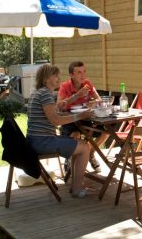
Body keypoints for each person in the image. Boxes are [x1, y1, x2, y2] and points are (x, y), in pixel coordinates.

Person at [25, 64, 93, 198]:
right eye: (55, 75)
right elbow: (55, 120)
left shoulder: (39, 93)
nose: (58, 78)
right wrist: (80, 116)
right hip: (43, 142)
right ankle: (77, 189)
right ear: (46, 80)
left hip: (35, 140)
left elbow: (53, 112)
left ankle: (76, 187)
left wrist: (69, 102)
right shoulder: (45, 94)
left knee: (78, 143)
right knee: (85, 147)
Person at [57, 61, 107, 172]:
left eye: (84, 71)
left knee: (105, 133)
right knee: (76, 134)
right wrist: (76, 96)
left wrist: (93, 103)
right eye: (79, 72)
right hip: (70, 121)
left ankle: (90, 153)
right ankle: (69, 158)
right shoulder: (65, 87)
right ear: (71, 75)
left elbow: (99, 100)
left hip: (86, 120)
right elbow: (59, 106)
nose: (83, 75)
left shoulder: (87, 84)